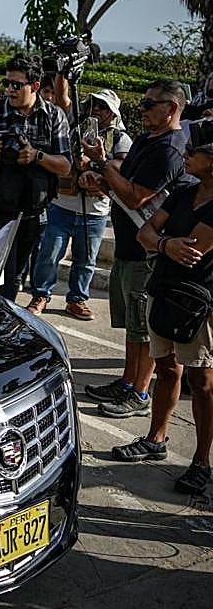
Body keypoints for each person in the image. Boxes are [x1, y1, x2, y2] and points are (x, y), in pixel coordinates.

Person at [81, 80, 193, 419]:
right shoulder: (147, 140)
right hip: (130, 246)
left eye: (149, 104)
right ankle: (128, 382)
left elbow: (135, 195)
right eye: (142, 103)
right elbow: (120, 183)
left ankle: (140, 392)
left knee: (145, 328)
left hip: (149, 254)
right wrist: (100, 175)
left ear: (171, 108)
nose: (141, 109)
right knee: (132, 326)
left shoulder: (170, 148)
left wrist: (103, 167)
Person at [113, 137, 213, 495]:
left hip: (198, 302)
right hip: (165, 288)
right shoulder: (185, 192)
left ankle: (201, 461)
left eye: (194, 152)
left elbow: (195, 250)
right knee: (167, 367)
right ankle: (156, 438)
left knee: (202, 382)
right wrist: (165, 243)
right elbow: (145, 231)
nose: (185, 155)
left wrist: (163, 241)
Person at [0, 54, 72, 300]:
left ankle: (5, 317)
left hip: (33, 208)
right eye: (7, 83)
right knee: (0, 271)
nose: (9, 90)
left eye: (16, 85)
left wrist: (36, 156)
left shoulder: (53, 116)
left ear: (34, 86)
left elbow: (65, 165)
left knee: (17, 272)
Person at [25, 90, 130, 320]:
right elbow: (60, 154)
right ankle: (40, 295)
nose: (96, 110)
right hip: (61, 204)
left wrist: (94, 167)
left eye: (103, 107)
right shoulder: (73, 130)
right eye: (93, 104)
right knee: (49, 253)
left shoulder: (121, 139)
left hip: (95, 211)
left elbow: (122, 167)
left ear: (113, 114)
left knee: (86, 259)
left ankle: (77, 300)